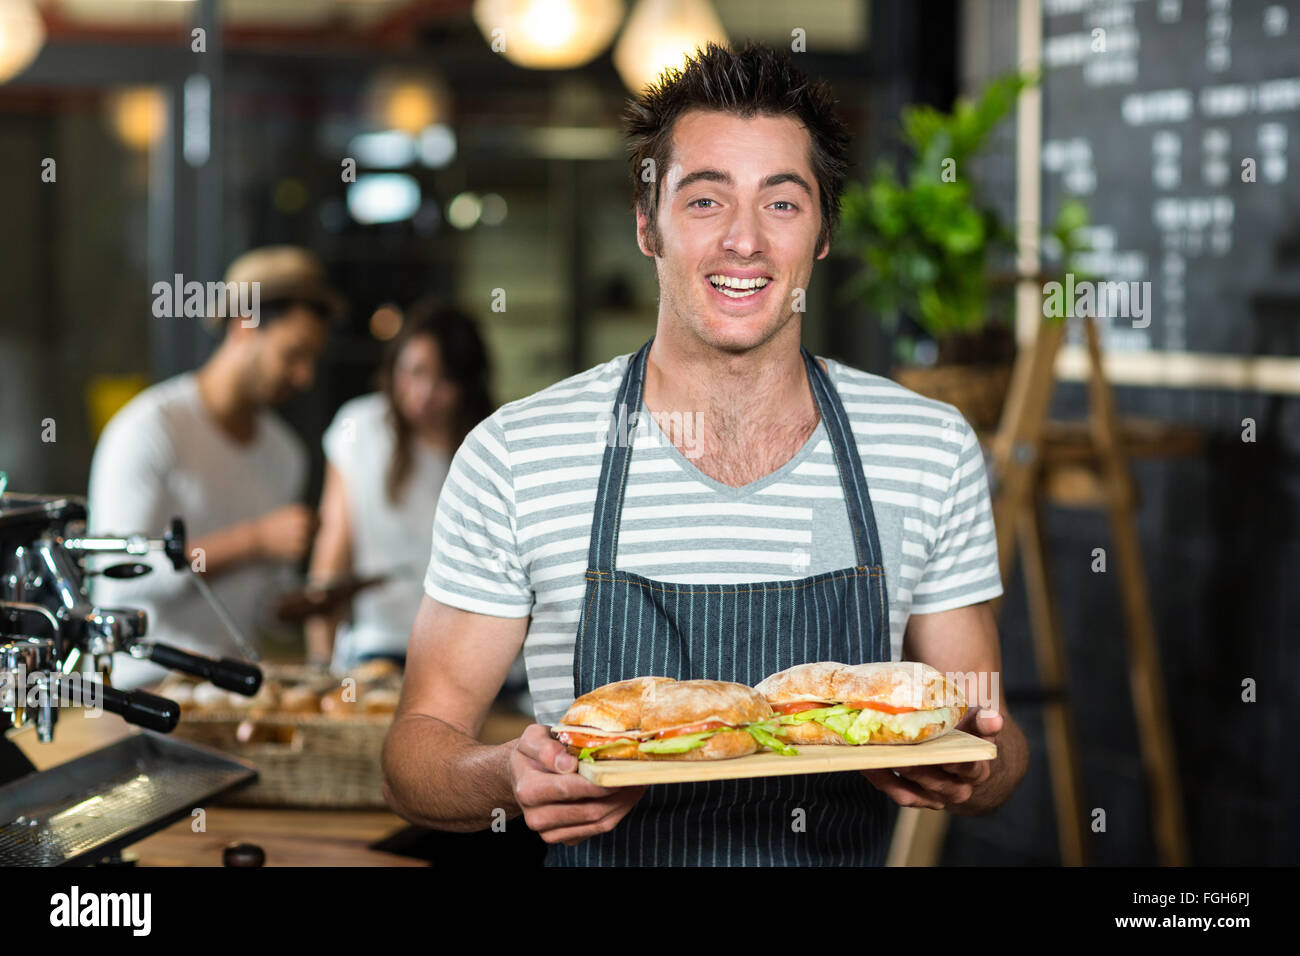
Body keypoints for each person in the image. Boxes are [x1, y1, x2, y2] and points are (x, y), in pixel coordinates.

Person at [382, 41, 1029, 866]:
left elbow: (995, 745)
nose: (743, 241)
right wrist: (507, 775)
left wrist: (975, 765)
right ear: (647, 224)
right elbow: (413, 757)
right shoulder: (517, 454)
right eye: (704, 201)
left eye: (783, 204)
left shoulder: (927, 449)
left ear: (824, 232)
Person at [87, 246, 342, 689]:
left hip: (231, 690)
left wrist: (309, 602)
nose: (304, 377)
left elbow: (263, 604)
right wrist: (255, 540)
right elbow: (118, 577)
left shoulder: (284, 452)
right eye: (294, 354)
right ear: (245, 326)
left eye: (312, 360)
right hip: (141, 691)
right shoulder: (150, 429)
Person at [305, 298, 493, 673]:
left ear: (467, 384)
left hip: (479, 655)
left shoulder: (489, 442)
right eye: (414, 372)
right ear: (393, 367)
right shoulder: (360, 427)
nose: (424, 393)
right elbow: (333, 550)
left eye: (444, 380)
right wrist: (320, 660)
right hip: (382, 647)